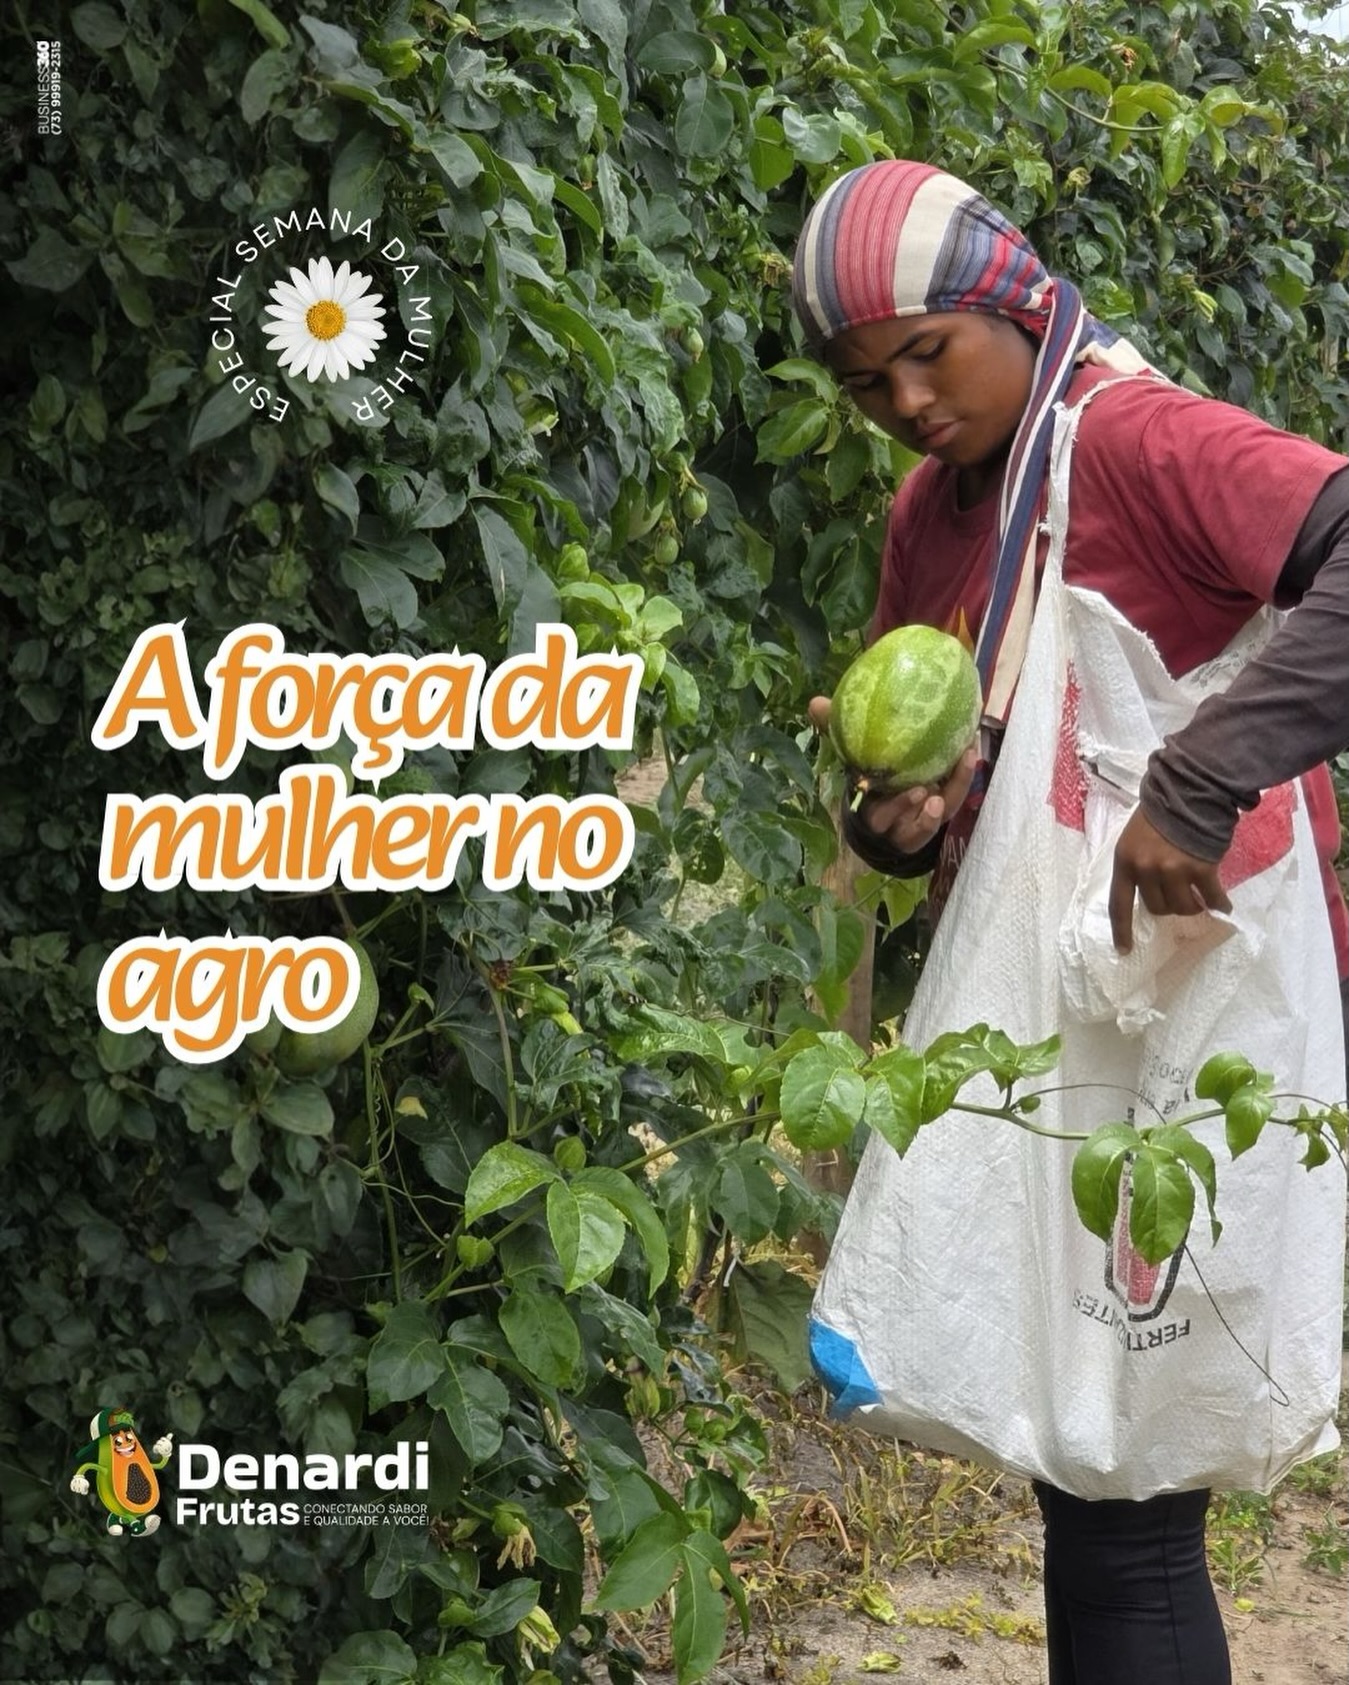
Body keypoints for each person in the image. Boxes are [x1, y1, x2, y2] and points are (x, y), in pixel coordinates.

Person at [791, 158, 1349, 1685]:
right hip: (1075, 1026)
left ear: (1014, 301)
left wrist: (1202, 771)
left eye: (928, 349)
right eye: (863, 380)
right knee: (1092, 1475)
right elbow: (969, 798)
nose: (904, 399)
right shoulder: (941, 510)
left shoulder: (1137, 445)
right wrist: (894, 821)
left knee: (1125, 1494)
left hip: (1194, 1031)